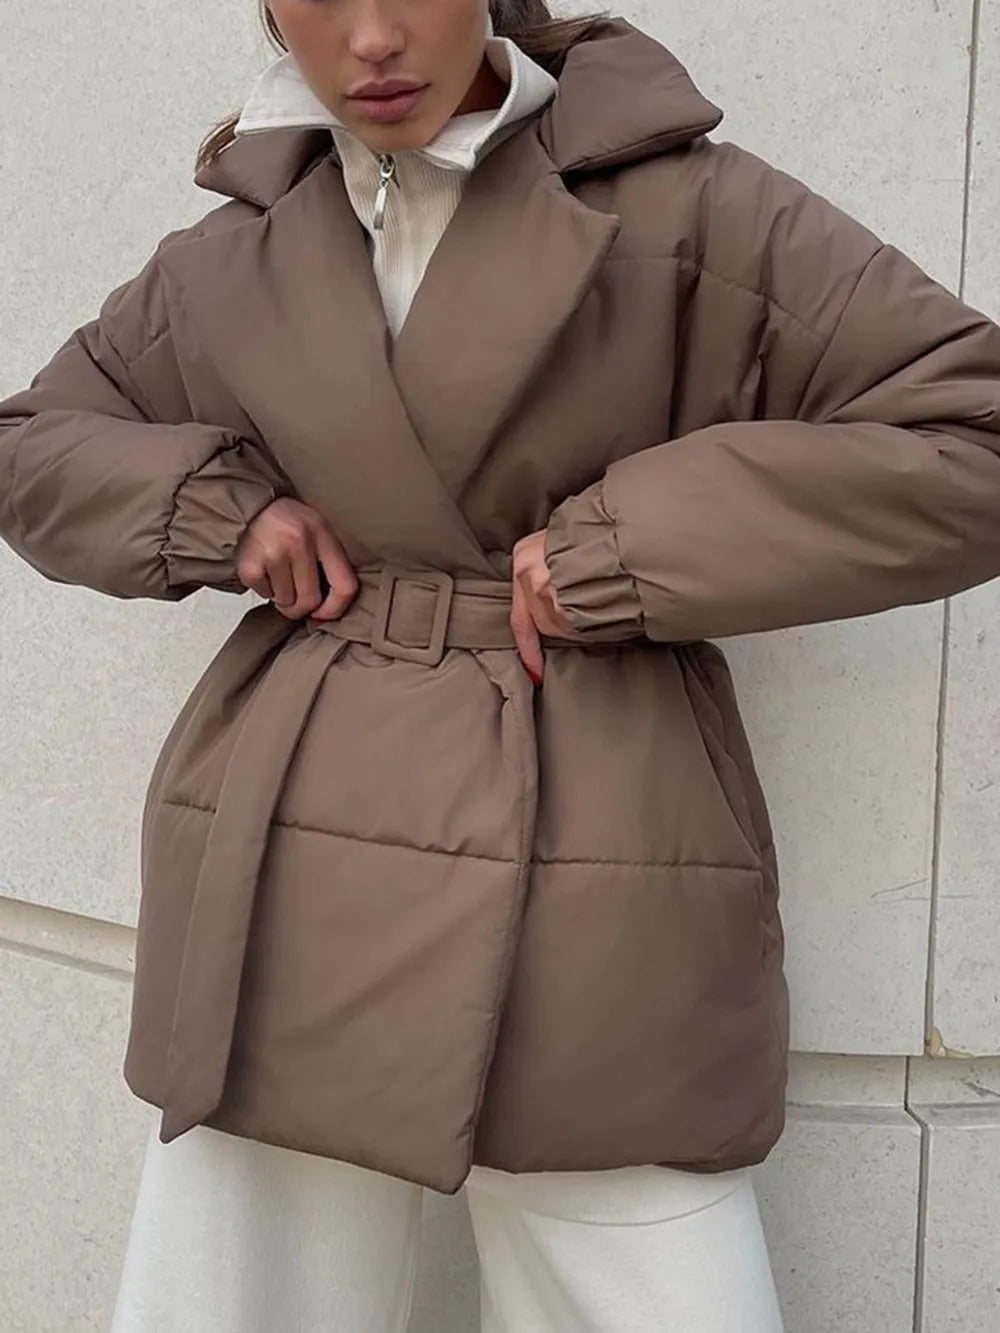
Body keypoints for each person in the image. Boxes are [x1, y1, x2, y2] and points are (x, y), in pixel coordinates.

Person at [3, 0, 1000, 1328]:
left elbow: (970, 430)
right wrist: (212, 508)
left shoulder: (683, 208)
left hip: (594, 840)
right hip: (287, 846)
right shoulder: (241, 241)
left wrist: (635, 544)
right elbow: (37, 440)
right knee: (242, 1293)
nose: (369, 40)